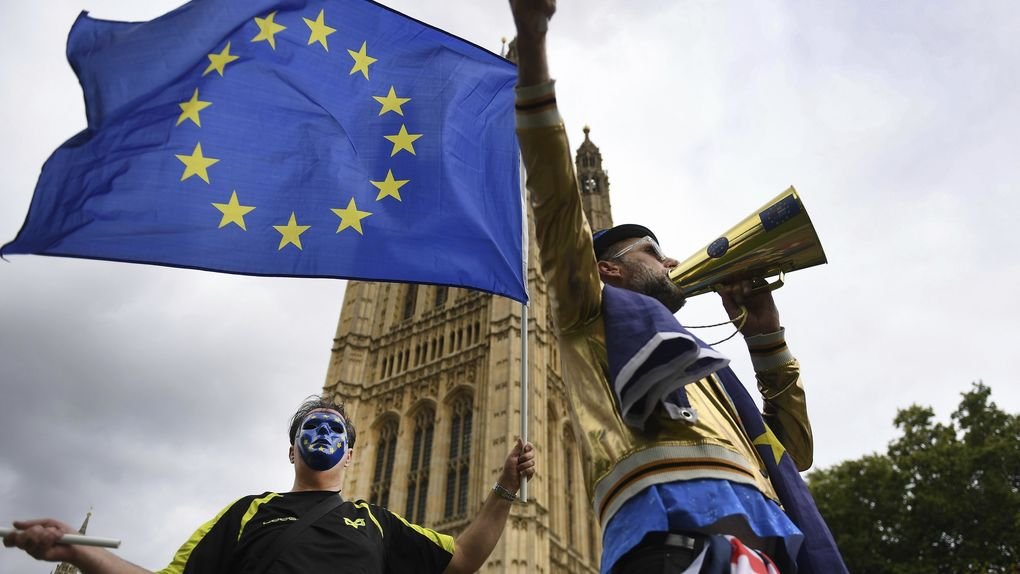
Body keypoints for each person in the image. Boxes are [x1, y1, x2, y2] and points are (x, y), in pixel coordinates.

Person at [509, 1, 846, 573]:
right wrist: (534, 47)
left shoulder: (687, 362)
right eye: (651, 253)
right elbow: (556, 196)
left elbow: (793, 455)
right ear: (608, 271)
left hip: (764, 548)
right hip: (669, 537)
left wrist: (767, 340)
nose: (669, 260)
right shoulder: (588, 315)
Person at [4, 395, 536, 574]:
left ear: (351, 453)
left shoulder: (377, 523)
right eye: (313, 426)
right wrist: (78, 548)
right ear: (291, 449)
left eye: (335, 429)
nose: (323, 433)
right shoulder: (247, 513)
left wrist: (506, 486)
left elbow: (464, 558)